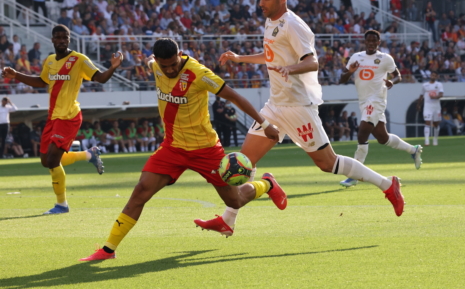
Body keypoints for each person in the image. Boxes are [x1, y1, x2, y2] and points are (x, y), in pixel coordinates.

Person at [195, 0, 405, 238]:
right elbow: (272, 56)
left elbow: (312, 62)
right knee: (245, 161)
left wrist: (290, 69)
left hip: (297, 107)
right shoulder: (271, 21)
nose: (261, 3)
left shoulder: (293, 25)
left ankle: (388, 185)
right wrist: (240, 58)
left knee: (328, 164)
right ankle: (230, 219)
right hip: (274, 106)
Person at [79, 38, 285, 261]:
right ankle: (108, 249)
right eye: (164, 65)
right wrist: (140, 63)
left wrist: (265, 125)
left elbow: (234, 97)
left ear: (180, 55)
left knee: (234, 201)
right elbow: (149, 62)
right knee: (141, 191)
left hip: (206, 149)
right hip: (172, 147)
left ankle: (268, 183)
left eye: (173, 64)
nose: (169, 69)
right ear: (157, 60)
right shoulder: (155, 65)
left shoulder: (199, 73)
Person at [1, 24, 123, 214]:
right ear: (52, 40)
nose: (61, 40)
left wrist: (113, 67)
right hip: (53, 117)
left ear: (69, 39)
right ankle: (89, 155)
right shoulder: (49, 61)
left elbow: (100, 78)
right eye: (57, 37)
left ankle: (62, 205)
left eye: (64, 37)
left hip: (69, 116)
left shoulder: (79, 60)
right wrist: (16, 74)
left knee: (52, 161)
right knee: (45, 160)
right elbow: (42, 81)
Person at [338, 30, 422, 187]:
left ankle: (354, 175)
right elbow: (341, 80)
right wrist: (350, 72)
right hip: (364, 102)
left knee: (362, 133)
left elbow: (398, 75)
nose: (371, 43)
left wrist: (392, 82)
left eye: (374, 41)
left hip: (376, 101)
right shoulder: (356, 57)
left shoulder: (385, 58)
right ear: (365, 42)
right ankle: (414, 150)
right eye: (368, 41)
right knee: (383, 138)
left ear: (378, 43)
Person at [416, 71, 444, 146]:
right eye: (432, 75)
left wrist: (435, 97)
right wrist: (418, 104)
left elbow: (441, 94)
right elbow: (421, 95)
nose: (433, 76)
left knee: (436, 124)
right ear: (430, 76)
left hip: (436, 107)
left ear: (437, 77)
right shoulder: (425, 85)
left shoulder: (439, 85)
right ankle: (427, 141)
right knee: (427, 122)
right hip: (427, 106)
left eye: (435, 75)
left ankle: (435, 139)